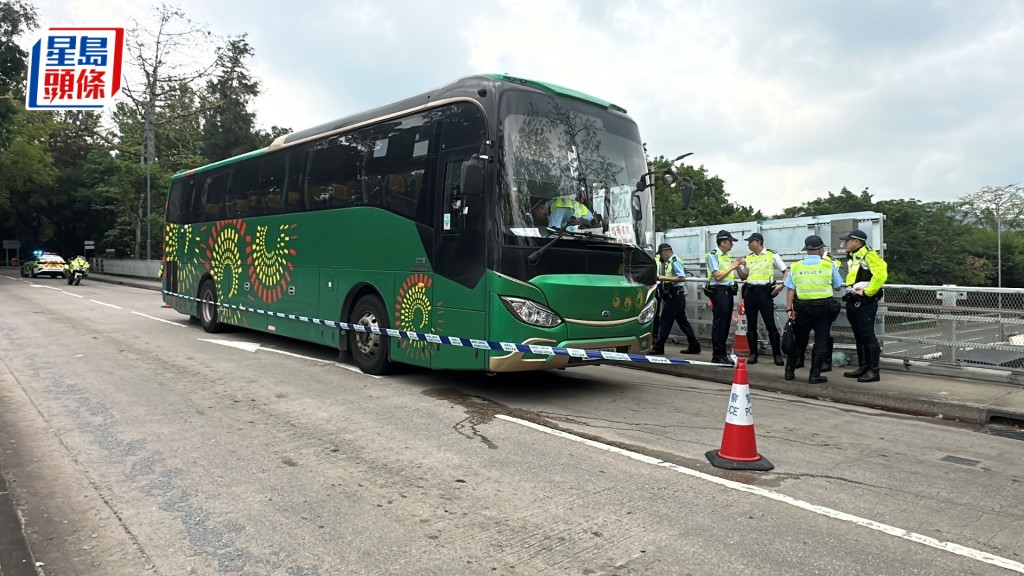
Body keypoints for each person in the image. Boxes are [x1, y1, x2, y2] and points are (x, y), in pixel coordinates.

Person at [784, 235, 845, 383]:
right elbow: (838, 287)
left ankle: (789, 372)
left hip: (803, 309)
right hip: (823, 309)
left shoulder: (796, 266)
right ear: (820, 249)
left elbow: (790, 289)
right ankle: (814, 375)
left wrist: (789, 309)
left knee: (798, 340)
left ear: (806, 249)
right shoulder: (828, 264)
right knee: (821, 341)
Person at [839, 229, 888, 383]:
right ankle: (863, 367)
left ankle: (873, 371)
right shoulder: (855, 256)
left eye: (847, 241)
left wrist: (867, 292)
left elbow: (881, 274)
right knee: (859, 335)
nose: (844, 244)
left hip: (865, 302)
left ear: (856, 242)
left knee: (867, 335)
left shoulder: (869, 254)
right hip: (853, 300)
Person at [737, 233, 788, 365]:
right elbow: (743, 276)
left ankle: (777, 354)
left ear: (758, 242)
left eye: (750, 242)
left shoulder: (772, 254)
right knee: (751, 324)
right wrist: (737, 266)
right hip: (751, 292)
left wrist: (781, 285)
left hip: (765, 292)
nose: (748, 244)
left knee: (770, 323)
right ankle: (753, 354)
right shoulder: (749, 258)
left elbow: (785, 271)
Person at [650, 243, 701, 356]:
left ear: (666, 252)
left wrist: (664, 278)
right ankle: (694, 345)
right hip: (676, 295)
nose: (661, 257)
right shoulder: (670, 262)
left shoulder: (675, 261)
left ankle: (659, 347)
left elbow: (681, 278)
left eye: (662, 255)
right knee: (682, 321)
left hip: (675, 295)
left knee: (665, 321)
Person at [705, 230, 744, 363]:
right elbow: (718, 276)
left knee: (725, 323)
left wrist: (737, 265)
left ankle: (722, 353)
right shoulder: (713, 255)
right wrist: (732, 266)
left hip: (727, 292)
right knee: (720, 323)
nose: (732, 245)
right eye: (730, 242)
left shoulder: (726, 256)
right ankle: (717, 354)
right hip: (719, 291)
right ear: (723, 242)